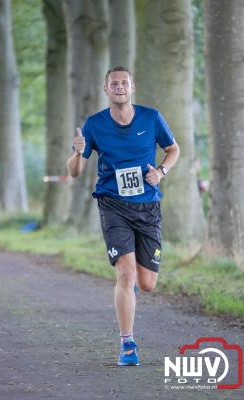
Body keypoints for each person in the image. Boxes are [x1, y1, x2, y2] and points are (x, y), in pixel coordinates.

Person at [67, 66, 180, 366]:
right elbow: (75, 172)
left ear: (133, 87)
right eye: (113, 83)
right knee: (126, 275)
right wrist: (78, 153)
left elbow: (173, 149)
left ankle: (130, 300)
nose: (119, 87)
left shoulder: (151, 117)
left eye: (124, 83)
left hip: (147, 206)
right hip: (113, 204)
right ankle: (127, 344)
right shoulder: (94, 125)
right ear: (106, 90)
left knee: (147, 283)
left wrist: (161, 172)